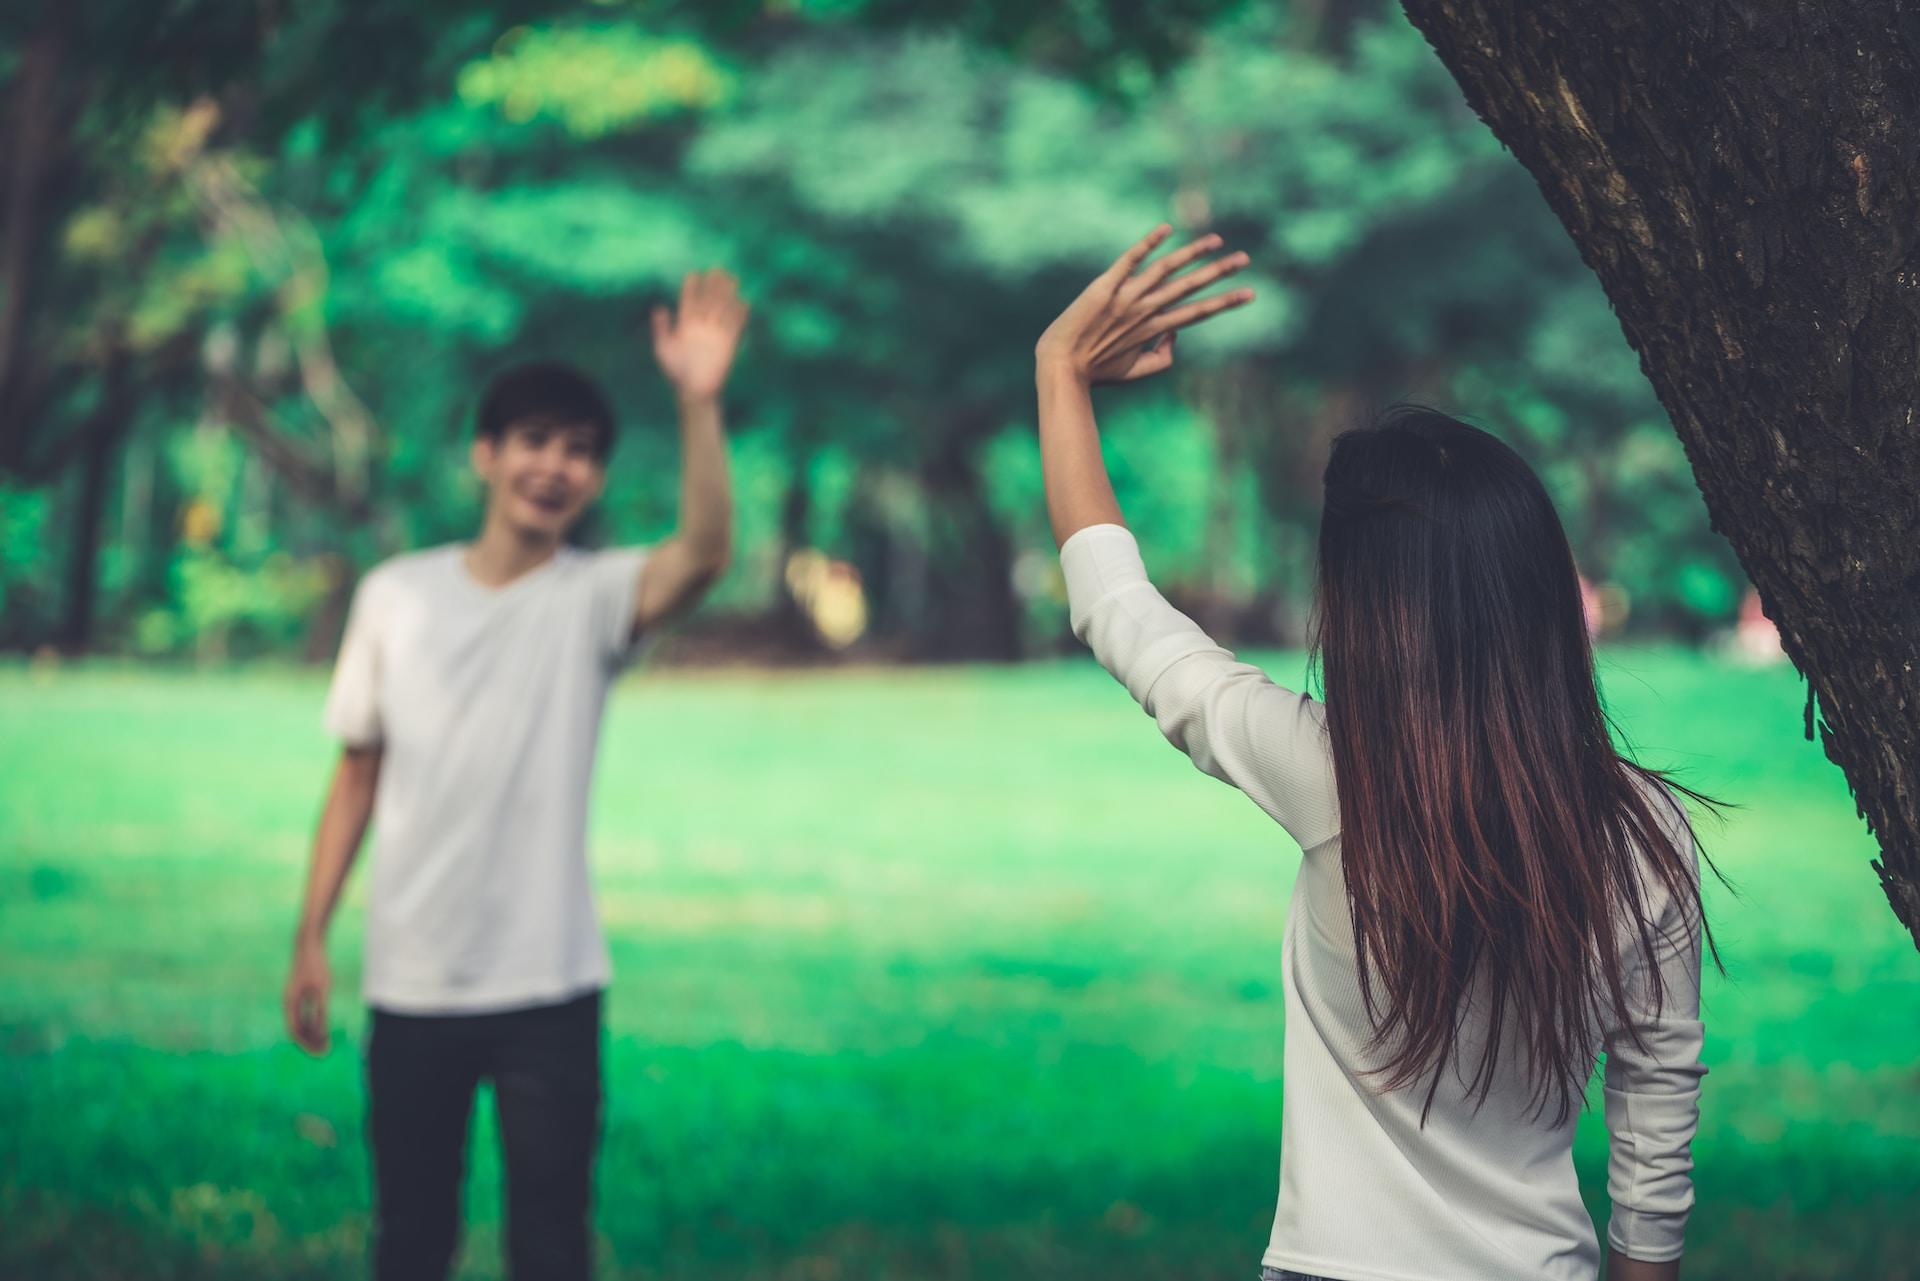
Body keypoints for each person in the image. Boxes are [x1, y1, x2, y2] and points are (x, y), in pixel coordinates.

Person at [1034, 226, 1714, 1281]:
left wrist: (1058, 375)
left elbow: (1117, 608)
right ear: (1534, 590)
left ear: (1367, 613)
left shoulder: (1332, 775)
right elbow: (1656, 1087)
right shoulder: (1642, 828)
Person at [282, 269, 750, 1280]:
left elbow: (705, 552)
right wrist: (312, 936)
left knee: (550, 1244)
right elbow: (354, 778)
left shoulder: (594, 599)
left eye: (581, 451)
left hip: (550, 984)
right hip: (413, 980)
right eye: (535, 441)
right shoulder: (395, 598)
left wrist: (699, 399)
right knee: (411, 1239)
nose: (556, 466)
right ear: (485, 455)